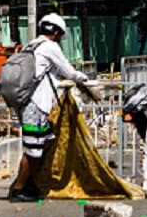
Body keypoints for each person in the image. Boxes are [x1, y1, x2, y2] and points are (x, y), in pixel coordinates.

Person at [9, 13, 89, 202]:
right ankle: (18, 188)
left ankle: (29, 182)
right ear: (54, 32)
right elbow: (68, 71)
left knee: (42, 143)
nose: (60, 39)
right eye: (60, 35)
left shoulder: (31, 45)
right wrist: (85, 79)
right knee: (33, 149)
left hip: (29, 103)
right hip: (35, 105)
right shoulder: (49, 47)